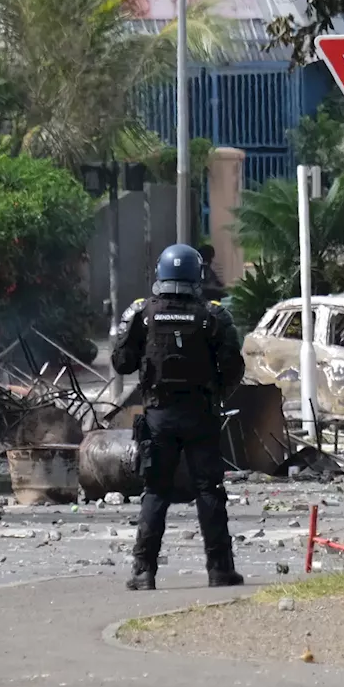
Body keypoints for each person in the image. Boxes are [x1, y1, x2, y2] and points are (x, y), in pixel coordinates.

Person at [111, 243, 245, 591]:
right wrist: (216, 393)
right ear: (196, 275)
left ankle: (143, 572)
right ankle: (219, 570)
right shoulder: (212, 315)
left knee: (155, 491)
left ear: (160, 273)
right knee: (209, 491)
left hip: (159, 416)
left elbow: (121, 363)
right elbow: (234, 368)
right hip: (201, 415)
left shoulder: (142, 313)